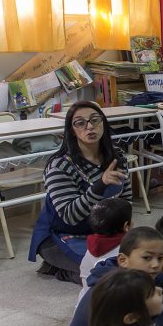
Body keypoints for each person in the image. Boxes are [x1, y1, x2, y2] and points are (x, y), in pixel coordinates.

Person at [30, 101, 132, 284]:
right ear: (71, 130)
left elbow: (126, 199)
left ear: (103, 123)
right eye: (80, 123)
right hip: (61, 236)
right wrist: (100, 185)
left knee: (137, 262)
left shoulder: (116, 156)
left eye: (95, 120)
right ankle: (56, 268)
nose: (90, 126)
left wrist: (128, 231)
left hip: (102, 231)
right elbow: (70, 216)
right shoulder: (59, 166)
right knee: (104, 275)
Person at [77, 198, 132, 305]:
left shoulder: (91, 245)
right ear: (126, 226)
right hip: (108, 307)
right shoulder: (126, 249)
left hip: (84, 302)